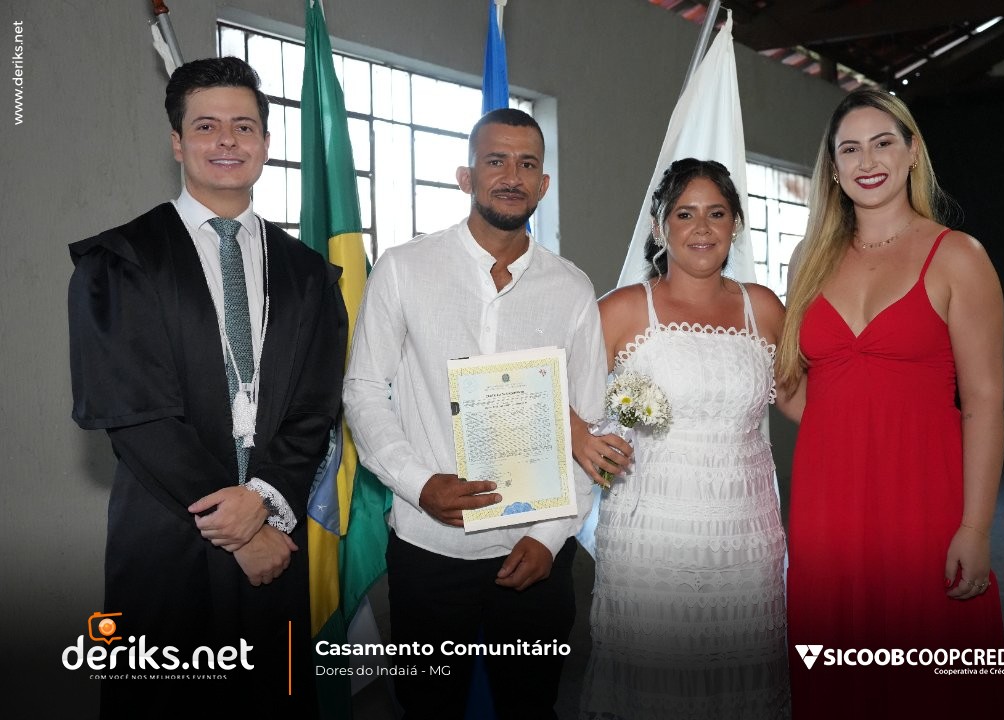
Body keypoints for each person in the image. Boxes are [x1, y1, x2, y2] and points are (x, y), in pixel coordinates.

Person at [67, 57, 346, 713]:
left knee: (274, 694)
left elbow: (314, 407)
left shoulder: (307, 273)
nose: (227, 141)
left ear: (265, 144)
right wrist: (240, 529)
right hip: (168, 533)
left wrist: (264, 503)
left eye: (244, 127)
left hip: (275, 531)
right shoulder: (122, 260)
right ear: (177, 142)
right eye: (206, 126)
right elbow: (134, 412)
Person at [342, 107, 607, 719]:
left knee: (530, 709)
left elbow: (591, 425)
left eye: (527, 164)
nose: (512, 176)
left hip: (536, 553)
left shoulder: (571, 289)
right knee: (428, 708)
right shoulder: (404, 268)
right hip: (429, 547)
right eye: (495, 161)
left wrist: (549, 538)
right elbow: (363, 390)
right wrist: (419, 484)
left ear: (544, 184)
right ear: (466, 176)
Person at [778, 88, 1004, 717]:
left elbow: (985, 402)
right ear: (833, 168)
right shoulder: (807, 260)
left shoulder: (958, 255)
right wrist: (850, 429)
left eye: (883, 143)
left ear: (912, 153)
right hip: (827, 508)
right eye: (850, 149)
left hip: (923, 502)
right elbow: (793, 388)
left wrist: (976, 527)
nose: (868, 161)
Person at [576, 158, 795, 719]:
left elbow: (802, 401)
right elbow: (553, 393)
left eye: (716, 214)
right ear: (659, 227)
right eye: (685, 214)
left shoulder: (763, 308)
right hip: (653, 536)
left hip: (746, 535)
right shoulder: (623, 309)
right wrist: (582, 438)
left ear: (735, 225)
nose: (702, 228)